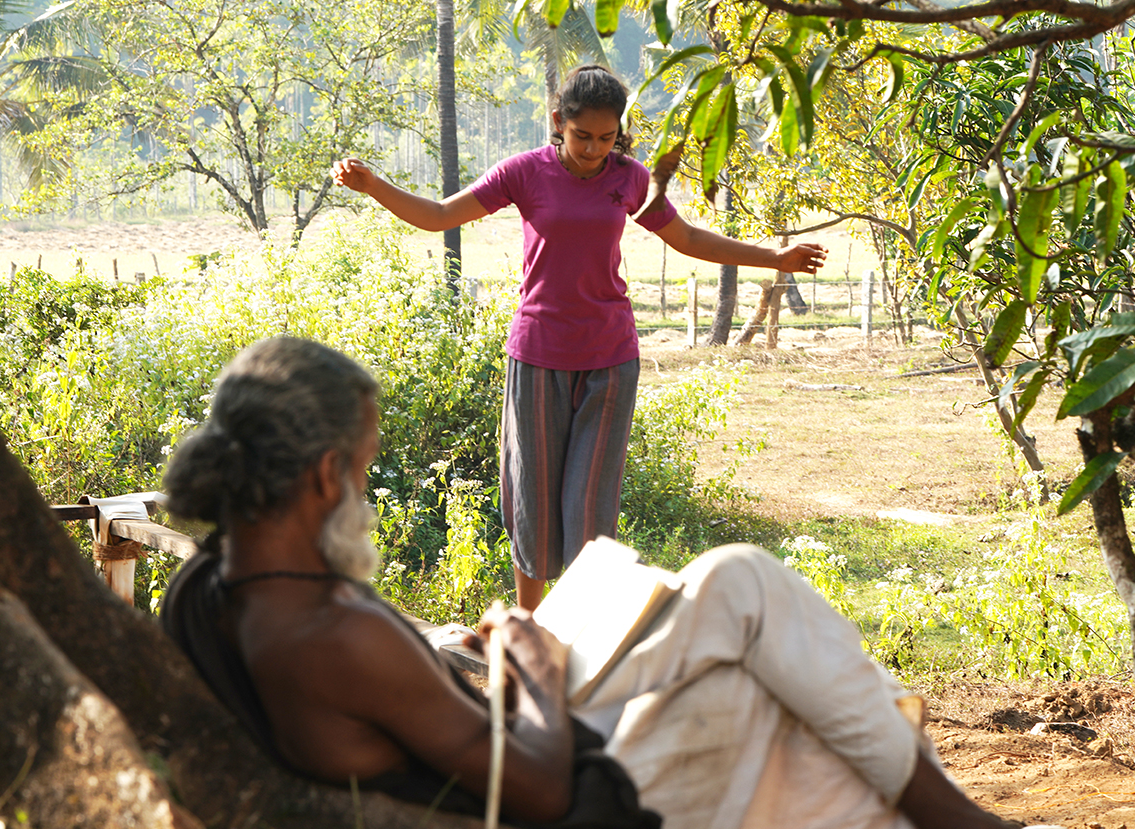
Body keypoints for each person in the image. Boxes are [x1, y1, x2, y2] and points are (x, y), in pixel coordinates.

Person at [159, 337, 1132, 829]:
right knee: (761, 666)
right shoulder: (330, 630)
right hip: (558, 800)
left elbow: (383, 707)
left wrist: (456, 650)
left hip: (488, 727)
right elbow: (535, 788)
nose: (366, 493)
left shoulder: (211, 588)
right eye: (367, 473)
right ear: (328, 474)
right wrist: (533, 672)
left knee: (737, 595)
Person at [333, 64, 828, 610]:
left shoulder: (630, 179)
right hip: (538, 354)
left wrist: (773, 256)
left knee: (590, 505)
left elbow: (685, 237)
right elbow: (439, 215)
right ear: (558, 123)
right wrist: (374, 184)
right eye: (582, 136)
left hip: (610, 359)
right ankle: (530, 624)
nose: (594, 149)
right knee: (534, 496)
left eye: (607, 137)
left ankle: (582, 632)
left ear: (620, 131)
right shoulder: (524, 173)